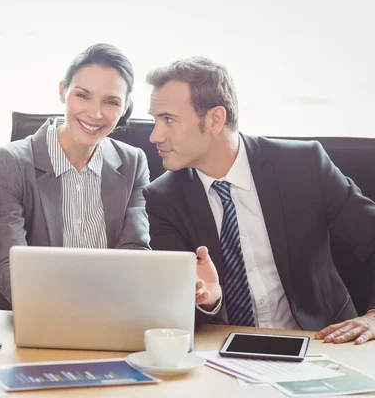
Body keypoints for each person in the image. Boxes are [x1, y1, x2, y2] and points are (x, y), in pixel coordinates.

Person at [143, 57, 375, 344]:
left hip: (323, 340)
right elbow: (176, 307)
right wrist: (207, 300)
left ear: (215, 119)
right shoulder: (162, 198)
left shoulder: (303, 165)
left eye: (168, 119)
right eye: (155, 119)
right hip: (222, 350)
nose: (155, 135)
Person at [0, 43, 150, 310]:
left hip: (110, 314)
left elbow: (136, 255)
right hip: (33, 316)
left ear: (125, 107)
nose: (95, 113)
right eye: (83, 96)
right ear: (63, 91)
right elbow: (8, 266)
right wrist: (68, 312)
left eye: (111, 102)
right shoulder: (11, 162)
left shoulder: (133, 163)